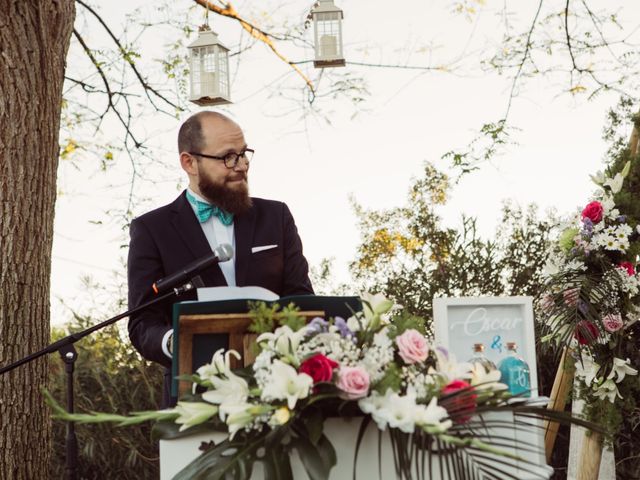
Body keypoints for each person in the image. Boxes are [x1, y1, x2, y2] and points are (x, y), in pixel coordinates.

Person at [127, 111, 314, 406]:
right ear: (190, 163)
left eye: (243, 154)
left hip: (278, 393)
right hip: (192, 397)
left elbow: (301, 299)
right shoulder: (152, 229)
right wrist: (175, 341)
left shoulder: (276, 216)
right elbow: (142, 323)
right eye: (228, 157)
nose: (241, 166)